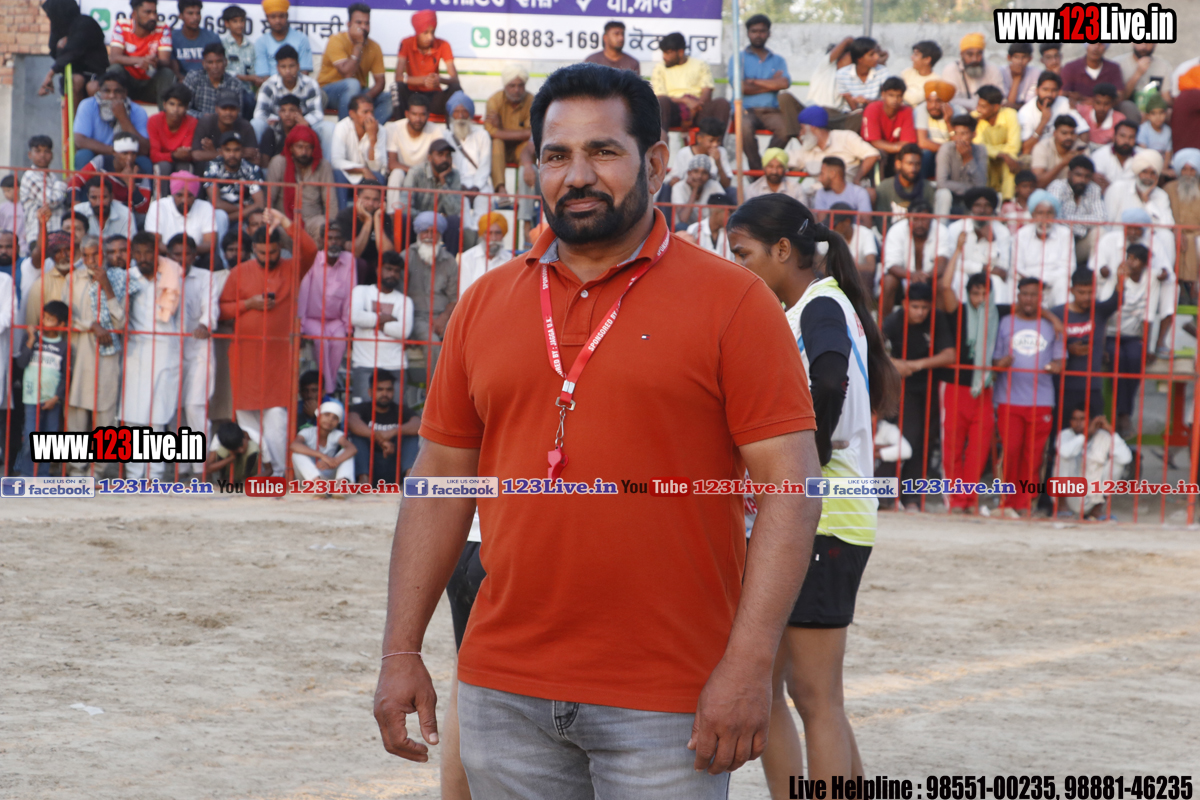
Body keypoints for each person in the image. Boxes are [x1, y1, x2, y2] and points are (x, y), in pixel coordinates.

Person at [373, 62, 822, 798]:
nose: (577, 175)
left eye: (603, 151)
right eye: (557, 155)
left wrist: (747, 664)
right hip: (503, 693)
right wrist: (400, 650)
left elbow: (791, 488)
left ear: (656, 162)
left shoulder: (735, 302)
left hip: (668, 700)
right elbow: (440, 481)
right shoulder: (484, 303)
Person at [725, 192, 896, 793]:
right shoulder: (808, 307)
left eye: (742, 253)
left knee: (813, 696)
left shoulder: (821, 305)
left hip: (825, 518)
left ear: (781, 249)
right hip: (813, 517)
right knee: (778, 689)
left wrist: (805, 461)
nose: (738, 267)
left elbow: (828, 379)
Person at [219, 208, 318, 474]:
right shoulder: (239, 272)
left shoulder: (291, 268)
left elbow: (310, 250)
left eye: (273, 252)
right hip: (245, 357)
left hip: (278, 359)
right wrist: (248, 304)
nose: (267, 258)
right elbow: (222, 310)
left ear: (279, 250)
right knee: (246, 421)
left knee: (277, 418)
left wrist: (285, 222)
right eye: (262, 253)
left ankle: (278, 472)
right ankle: (254, 472)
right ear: (253, 250)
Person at [992, 277, 1064, 517]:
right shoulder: (1005, 323)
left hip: (1041, 400)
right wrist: (1001, 363)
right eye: (1025, 294)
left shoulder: (1052, 326)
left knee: (1034, 456)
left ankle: (1025, 503)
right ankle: (1006, 501)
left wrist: (1056, 366)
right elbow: (995, 360)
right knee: (1010, 451)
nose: (1029, 299)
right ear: (1018, 295)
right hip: (1008, 398)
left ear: (1040, 297)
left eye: (1034, 294)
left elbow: (1061, 360)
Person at [880, 281, 956, 508]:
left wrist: (914, 365)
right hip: (903, 389)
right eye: (915, 307)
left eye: (924, 307)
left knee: (925, 443)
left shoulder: (937, 318)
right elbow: (873, 350)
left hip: (932, 386)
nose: (920, 312)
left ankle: (911, 498)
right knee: (907, 439)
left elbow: (950, 355)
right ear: (905, 303)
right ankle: (882, 496)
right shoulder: (893, 321)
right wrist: (895, 363)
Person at [121, 230, 184, 479]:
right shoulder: (127, 278)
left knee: (158, 415)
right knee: (134, 415)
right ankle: (134, 475)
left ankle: (155, 475)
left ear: (157, 254)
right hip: (136, 350)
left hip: (166, 350)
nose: (144, 257)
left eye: (148, 252)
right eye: (138, 253)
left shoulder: (171, 276)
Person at [935, 268, 999, 514]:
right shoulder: (959, 311)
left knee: (979, 448)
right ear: (968, 294)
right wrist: (959, 251)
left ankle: (970, 499)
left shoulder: (996, 314)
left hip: (983, 388)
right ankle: (954, 500)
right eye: (975, 293)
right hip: (954, 387)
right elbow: (945, 286)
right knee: (952, 445)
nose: (980, 299)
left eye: (985, 293)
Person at [61, 236, 126, 469]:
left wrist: (106, 286)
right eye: (85, 255)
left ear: (104, 254)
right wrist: (91, 325)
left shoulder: (119, 278)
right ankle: (76, 470)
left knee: (105, 414)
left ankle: (98, 471)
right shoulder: (73, 279)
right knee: (76, 412)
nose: (90, 260)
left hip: (106, 355)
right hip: (78, 353)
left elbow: (121, 323)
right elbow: (65, 317)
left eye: (95, 254)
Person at [1051, 267, 1121, 428]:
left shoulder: (1099, 311)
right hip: (1062, 387)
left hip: (1092, 387)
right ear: (1071, 290)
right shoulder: (1056, 314)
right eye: (1081, 292)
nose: (1086, 297)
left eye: (1090, 292)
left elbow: (1117, 300)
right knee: (1061, 435)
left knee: (1094, 433)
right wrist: (1068, 350)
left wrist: (1121, 280)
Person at [732, 14, 801, 171]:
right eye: (754, 31)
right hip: (745, 110)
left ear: (769, 33)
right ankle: (757, 171)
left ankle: (768, 166)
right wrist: (772, 84)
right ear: (748, 33)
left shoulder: (778, 60)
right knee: (744, 127)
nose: (758, 35)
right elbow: (740, 88)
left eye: (762, 31)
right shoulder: (738, 58)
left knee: (787, 128)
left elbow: (784, 83)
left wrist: (754, 81)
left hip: (771, 111)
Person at [177, 231, 228, 441]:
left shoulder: (205, 276)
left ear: (194, 255)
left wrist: (204, 325)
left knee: (194, 406)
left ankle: (200, 459)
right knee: (174, 408)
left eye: (186, 254)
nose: (181, 259)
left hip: (198, 350)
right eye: (176, 254)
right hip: (169, 349)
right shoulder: (164, 275)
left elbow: (211, 307)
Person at [13, 300, 69, 477]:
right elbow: (21, 363)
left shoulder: (63, 346)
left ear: (62, 324)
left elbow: (66, 375)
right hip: (31, 397)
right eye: (43, 317)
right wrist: (31, 340)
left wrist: (57, 397)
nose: (44, 322)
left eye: (50, 319)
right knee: (30, 437)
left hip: (52, 400)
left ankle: (43, 475)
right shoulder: (32, 339)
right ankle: (27, 474)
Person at [349, 249, 413, 403]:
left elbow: (404, 331)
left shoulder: (405, 301)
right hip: (364, 363)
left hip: (395, 365)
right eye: (388, 269)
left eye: (396, 271)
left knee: (396, 413)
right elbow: (355, 317)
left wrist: (371, 321)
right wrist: (386, 318)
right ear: (378, 270)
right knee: (362, 411)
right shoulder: (361, 291)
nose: (392, 274)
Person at [298, 221, 354, 394]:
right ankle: (329, 389)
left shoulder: (349, 260)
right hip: (312, 319)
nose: (334, 242)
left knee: (339, 342)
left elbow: (350, 296)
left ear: (343, 241)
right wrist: (299, 327)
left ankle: (327, 385)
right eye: (329, 238)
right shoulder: (312, 258)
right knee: (321, 341)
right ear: (322, 240)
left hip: (336, 320)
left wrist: (348, 327)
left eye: (337, 238)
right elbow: (303, 294)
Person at [403, 210, 458, 376]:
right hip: (417, 317)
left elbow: (454, 298)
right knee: (433, 343)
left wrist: (444, 317)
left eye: (433, 232)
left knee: (460, 340)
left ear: (440, 235)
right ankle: (436, 390)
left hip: (443, 316)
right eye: (424, 231)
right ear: (418, 234)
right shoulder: (407, 257)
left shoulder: (449, 261)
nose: (428, 236)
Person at [318, 2, 391, 123]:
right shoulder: (336, 40)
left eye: (366, 23)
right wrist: (358, 45)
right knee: (352, 84)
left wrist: (365, 98)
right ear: (349, 24)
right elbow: (347, 73)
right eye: (359, 23)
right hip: (329, 92)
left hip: (357, 93)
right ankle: (346, 130)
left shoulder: (374, 46)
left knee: (389, 98)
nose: (363, 27)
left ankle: (369, 129)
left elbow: (380, 82)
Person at [651, 32, 731, 141]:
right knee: (662, 102)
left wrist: (695, 106)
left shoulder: (700, 64)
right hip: (673, 110)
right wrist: (685, 100)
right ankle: (661, 144)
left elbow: (707, 90)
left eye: (668, 53)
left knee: (722, 103)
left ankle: (716, 146)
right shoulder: (659, 68)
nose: (664, 57)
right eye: (663, 53)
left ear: (680, 52)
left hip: (698, 109)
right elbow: (660, 96)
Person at [937, 186, 1012, 302]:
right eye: (977, 205)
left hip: (988, 277)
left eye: (987, 206)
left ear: (992, 209)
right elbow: (953, 263)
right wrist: (982, 268)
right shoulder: (956, 228)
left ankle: (994, 313)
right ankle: (961, 313)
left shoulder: (1002, 232)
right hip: (964, 274)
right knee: (957, 277)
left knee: (996, 281)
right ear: (971, 208)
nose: (982, 210)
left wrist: (992, 242)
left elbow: (1002, 269)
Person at [265, 124, 336, 241]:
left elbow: (331, 202)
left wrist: (332, 229)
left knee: (323, 226)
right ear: (291, 148)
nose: (304, 152)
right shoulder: (279, 163)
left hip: (312, 222)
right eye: (300, 147)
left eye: (308, 147)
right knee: (274, 230)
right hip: (284, 222)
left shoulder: (323, 165)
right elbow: (269, 198)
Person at [347, 371, 420, 483]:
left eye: (388, 390)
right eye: (379, 389)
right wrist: (380, 439)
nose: (384, 394)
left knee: (411, 437)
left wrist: (393, 432)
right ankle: (363, 480)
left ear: (393, 391)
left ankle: (410, 478)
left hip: (395, 464)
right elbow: (352, 422)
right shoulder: (361, 409)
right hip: (370, 464)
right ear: (370, 392)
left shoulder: (400, 410)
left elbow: (418, 424)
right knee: (358, 438)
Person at [38, 0, 109, 114]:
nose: (49, 17)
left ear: (61, 11)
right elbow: (54, 50)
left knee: (90, 86)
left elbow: (73, 51)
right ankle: (77, 121)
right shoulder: (59, 27)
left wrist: (50, 74)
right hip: (74, 75)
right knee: (76, 80)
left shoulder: (85, 24)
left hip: (95, 74)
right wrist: (61, 48)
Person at [73, 70, 151, 171]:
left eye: (117, 91)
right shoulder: (87, 105)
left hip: (127, 157)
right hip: (98, 154)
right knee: (83, 155)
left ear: (125, 93)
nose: (112, 96)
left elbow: (144, 149)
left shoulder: (137, 111)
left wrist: (123, 118)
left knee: (144, 162)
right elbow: (79, 140)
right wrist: (115, 151)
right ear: (99, 91)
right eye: (107, 91)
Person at [145, 171, 223, 268]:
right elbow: (154, 243)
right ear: (173, 194)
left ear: (195, 196)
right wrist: (177, 253)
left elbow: (210, 244)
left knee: (214, 260)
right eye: (179, 195)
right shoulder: (158, 206)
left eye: (189, 196)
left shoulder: (205, 207)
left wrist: (187, 253)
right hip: (167, 258)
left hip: (194, 257)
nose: (184, 200)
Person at [878, 200, 940, 318]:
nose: (920, 224)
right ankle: (883, 326)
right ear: (907, 218)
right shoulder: (896, 230)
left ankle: (939, 325)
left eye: (924, 219)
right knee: (889, 281)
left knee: (943, 282)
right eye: (915, 219)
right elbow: (891, 265)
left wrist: (925, 276)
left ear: (931, 219)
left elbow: (942, 262)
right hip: (903, 278)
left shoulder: (940, 229)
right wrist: (912, 275)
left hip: (931, 278)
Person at [786, 106, 879, 184]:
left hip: (848, 192)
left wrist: (857, 179)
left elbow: (872, 155)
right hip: (818, 195)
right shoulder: (807, 149)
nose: (801, 133)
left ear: (813, 128)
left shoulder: (845, 137)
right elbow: (784, 158)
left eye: (802, 128)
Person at [252, 44, 325, 143]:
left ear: (298, 66)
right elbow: (260, 113)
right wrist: (283, 120)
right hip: (276, 127)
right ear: (277, 68)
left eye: (291, 66)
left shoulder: (310, 84)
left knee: (327, 127)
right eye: (283, 66)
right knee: (256, 124)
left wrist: (305, 121)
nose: (288, 71)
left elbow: (317, 113)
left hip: (303, 127)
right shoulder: (269, 85)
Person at [393, 9, 460, 117]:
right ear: (417, 32)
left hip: (434, 97)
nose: (430, 37)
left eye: (433, 32)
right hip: (412, 95)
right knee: (397, 86)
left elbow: (455, 79)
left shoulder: (443, 44)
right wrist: (423, 80)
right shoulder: (406, 43)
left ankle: (452, 126)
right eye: (425, 33)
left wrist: (439, 79)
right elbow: (398, 77)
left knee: (456, 88)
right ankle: (399, 124)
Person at [1015, 189, 1074, 307]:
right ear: (1033, 215)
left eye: (1049, 213)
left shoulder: (1065, 233)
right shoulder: (1021, 234)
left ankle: (1063, 317)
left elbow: (1068, 268)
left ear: (1055, 215)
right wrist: (1035, 282)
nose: (1044, 218)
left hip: (1054, 285)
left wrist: (1045, 281)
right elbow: (1017, 267)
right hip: (1029, 285)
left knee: (1063, 283)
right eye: (1040, 213)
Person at [108, 0, 173, 108]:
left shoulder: (163, 28)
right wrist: (139, 60)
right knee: (115, 69)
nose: (153, 17)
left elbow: (165, 61)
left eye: (155, 12)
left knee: (166, 73)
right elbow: (113, 58)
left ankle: (165, 116)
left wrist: (155, 61)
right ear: (134, 14)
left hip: (150, 84)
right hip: (127, 84)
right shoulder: (122, 25)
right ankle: (113, 113)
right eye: (147, 12)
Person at [443, 91, 493, 223]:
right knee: (461, 208)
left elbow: (485, 165)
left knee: (483, 209)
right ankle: (467, 234)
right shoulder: (446, 136)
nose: (460, 116)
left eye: (464, 111)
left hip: (480, 184)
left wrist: (476, 187)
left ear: (470, 114)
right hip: (456, 185)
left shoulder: (482, 135)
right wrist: (460, 186)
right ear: (451, 115)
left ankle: (478, 235)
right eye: (456, 112)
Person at [485, 65, 533, 199]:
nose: (516, 90)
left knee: (527, 146)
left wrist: (501, 129)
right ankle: (501, 191)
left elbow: (531, 133)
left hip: (520, 148)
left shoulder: (532, 101)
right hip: (501, 151)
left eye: (520, 85)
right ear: (505, 86)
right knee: (497, 143)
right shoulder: (494, 100)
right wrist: (522, 133)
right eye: (512, 86)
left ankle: (521, 196)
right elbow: (491, 132)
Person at [331, 94, 387, 207]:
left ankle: (375, 215)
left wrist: (373, 139)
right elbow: (336, 161)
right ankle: (341, 216)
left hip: (367, 179)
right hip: (348, 176)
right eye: (365, 112)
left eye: (372, 112)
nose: (370, 116)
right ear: (352, 114)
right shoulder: (342, 127)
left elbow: (376, 167)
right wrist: (363, 169)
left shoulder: (379, 130)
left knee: (379, 177)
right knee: (337, 174)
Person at [203, 132, 265, 235]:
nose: (232, 154)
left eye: (236, 150)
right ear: (221, 151)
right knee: (219, 216)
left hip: (245, 218)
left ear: (242, 151)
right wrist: (243, 208)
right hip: (226, 215)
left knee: (256, 221)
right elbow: (217, 204)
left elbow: (260, 204)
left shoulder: (251, 169)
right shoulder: (213, 167)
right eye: (228, 150)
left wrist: (229, 218)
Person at [1049, 155, 1106, 265]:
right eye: (1078, 175)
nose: (1082, 180)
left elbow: (1101, 218)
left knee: (1100, 232)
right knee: (1062, 232)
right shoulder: (1057, 187)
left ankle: (1092, 272)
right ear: (1069, 174)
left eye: (1087, 176)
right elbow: (1055, 219)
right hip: (1058, 246)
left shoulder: (1094, 189)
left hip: (1079, 245)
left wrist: (1069, 220)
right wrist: (1083, 227)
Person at [1018, 71, 1089, 152]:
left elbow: (1083, 131)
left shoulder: (1064, 103)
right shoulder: (1025, 113)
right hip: (1039, 153)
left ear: (1059, 92)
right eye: (1045, 90)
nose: (1049, 94)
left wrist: (1078, 151)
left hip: (1064, 151)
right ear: (1037, 91)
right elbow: (1026, 149)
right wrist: (1043, 122)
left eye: (1054, 90)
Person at [972, 84, 1022, 199]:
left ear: (995, 107)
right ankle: (983, 198)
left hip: (1004, 159)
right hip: (988, 158)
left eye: (983, 106)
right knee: (982, 158)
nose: (978, 110)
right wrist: (1002, 154)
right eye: (978, 105)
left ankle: (1007, 200)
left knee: (1012, 159)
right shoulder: (974, 118)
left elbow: (1014, 146)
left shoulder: (1010, 114)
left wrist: (1001, 155)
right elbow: (979, 147)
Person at [337, 181, 393, 284]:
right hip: (354, 266)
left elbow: (386, 253)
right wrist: (368, 221)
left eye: (375, 200)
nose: (371, 203)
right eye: (367, 198)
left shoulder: (383, 216)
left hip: (375, 265)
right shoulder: (345, 215)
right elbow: (355, 253)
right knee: (360, 264)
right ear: (357, 199)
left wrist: (377, 219)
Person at [19, 136, 68, 250]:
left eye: (46, 151)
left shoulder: (52, 177)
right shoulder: (30, 175)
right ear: (30, 154)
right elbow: (50, 201)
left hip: (56, 234)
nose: (42, 155)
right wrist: (63, 184)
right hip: (38, 235)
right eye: (38, 151)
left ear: (52, 155)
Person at [291, 400, 357, 484]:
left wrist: (334, 461)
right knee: (296, 454)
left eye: (335, 418)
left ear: (338, 422)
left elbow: (352, 449)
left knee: (347, 453)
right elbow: (294, 445)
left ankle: (340, 485)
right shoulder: (307, 432)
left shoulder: (337, 434)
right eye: (326, 415)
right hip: (308, 476)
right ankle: (318, 483)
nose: (330, 419)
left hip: (328, 472)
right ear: (318, 416)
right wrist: (322, 456)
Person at [861, 76, 916, 177]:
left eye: (899, 96)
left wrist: (897, 148)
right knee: (881, 154)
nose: (895, 100)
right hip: (873, 151)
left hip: (896, 152)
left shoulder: (907, 111)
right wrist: (897, 147)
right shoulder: (873, 109)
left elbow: (908, 143)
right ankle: (879, 185)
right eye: (891, 95)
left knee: (910, 155)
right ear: (883, 94)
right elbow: (875, 142)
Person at [191, 90, 260, 169]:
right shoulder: (206, 122)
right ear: (216, 109)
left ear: (238, 110)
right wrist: (233, 154)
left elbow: (256, 159)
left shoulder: (245, 126)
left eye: (232, 109)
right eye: (224, 108)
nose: (228, 113)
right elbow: (196, 155)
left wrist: (214, 153)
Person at [663, 117, 733, 195]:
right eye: (711, 140)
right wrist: (674, 181)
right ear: (699, 138)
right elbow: (674, 179)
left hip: (710, 195)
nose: (715, 144)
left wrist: (718, 163)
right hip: (686, 194)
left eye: (718, 141)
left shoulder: (721, 152)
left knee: (732, 192)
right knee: (665, 189)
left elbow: (726, 185)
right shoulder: (684, 153)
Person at [935, 114, 989, 213]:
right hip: (951, 195)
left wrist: (968, 159)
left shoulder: (980, 150)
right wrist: (969, 188)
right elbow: (941, 183)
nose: (959, 138)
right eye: (956, 133)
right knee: (943, 193)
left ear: (974, 134)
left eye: (964, 134)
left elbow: (981, 185)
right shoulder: (946, 149)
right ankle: (942, 221)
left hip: (972, 197)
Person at [385, 93, 444, 181]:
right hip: (403, 173)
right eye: (414, 114)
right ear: (407, 114)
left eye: (422, 114)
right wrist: (414, 172)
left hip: (424, 177)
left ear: (428, 115)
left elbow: (439, 160)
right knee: (397, 174)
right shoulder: (394, 128)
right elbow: (392, 164)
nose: (418, 119)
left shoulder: (435, 130)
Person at [1105, 149, 1173, 225]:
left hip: (1151, 232)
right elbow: (1108, 221)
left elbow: (1167, 225)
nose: (1148, 177)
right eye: (1144, 172)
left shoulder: (1161, 195)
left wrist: (1147, 202)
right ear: (1137, 172)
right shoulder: (1118, 188)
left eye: (1153, 173)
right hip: (1119, 232)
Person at [1166, 149, 1200, 298]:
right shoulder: (1169, 189)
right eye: (1184, 169)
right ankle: (1179, 291)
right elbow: (1164, 215)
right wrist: (1175, 231)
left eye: (1192, 170)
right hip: (1175, 234)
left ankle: (1194, 290)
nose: (1188, 174)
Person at [941, 33, 1004, 111]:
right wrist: (980, 105)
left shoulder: (992, 68)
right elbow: (950, 100)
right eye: (970, 55)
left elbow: (1001, 98)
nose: (975, 59)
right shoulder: (951, 70)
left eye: (979, 54)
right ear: (962, 55)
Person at [874, 143, 935, 222]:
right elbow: (881, 222)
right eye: (909, 163)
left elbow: (929, 220)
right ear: (898, 164)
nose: (913, 169)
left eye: (917, 164)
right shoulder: (884, 188)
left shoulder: (927, 187)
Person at [184, 42, 244, 121]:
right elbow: (184, 108)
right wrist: (204, 117)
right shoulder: (193, 78)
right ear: (204, 64)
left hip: (225, 124)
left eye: (219, 61)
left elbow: (238, 114)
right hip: (197, 123)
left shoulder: (235, 84)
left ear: (225, 62)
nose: (215, 66)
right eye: (210, 62)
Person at [807, 37, 857, 128]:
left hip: (835, 117)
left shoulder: (849, 77)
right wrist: (862, 46)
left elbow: (854, 108)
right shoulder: (826, 67)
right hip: (817, 112)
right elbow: (848, 40)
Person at [915, 80, 961, 178]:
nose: (933, 106)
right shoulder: (920, 110)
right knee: (925, 153)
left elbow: (959, 144)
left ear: (947, 102)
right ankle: (921, 184)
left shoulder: (959, 112)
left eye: (938, 101)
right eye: (929, 101)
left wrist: (948, 122)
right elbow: (923, 142)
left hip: (951, 155)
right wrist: (948, 149)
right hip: (932, 153)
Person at [148, 83, 198, 174]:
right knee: (163, 166)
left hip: (182, 162)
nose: (175, 109)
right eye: (171, 104)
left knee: (184, 167)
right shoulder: (154, 120)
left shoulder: (192, 122)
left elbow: (185, 154)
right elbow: (154, 155)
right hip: (162, 163)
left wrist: (176, 155)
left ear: (186, 107)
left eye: (180, 105)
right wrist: (173, 155)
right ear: (164, 105)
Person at [254, 0, 313, 77]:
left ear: (287, 16)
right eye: (273, 17)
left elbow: (304, 72)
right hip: (271, 83)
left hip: (296, 83)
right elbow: (263, 75)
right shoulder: (261, 42)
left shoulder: (301, 39)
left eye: (281, 16)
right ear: (267, 18)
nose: (277, 21)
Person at [827, 202, 878, 290]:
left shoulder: (865, 234)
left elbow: (871, 267)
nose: (831, 228)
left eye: (834, 224)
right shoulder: (830, 234)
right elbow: (819, 262)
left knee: (865, 276)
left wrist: (843, 268)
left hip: (858, 280)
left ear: (847, 222)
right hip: (836, 278)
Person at [835, 36, 890, 113]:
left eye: (876, 53)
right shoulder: (842, 74)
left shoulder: (882, 71)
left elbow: (887, 100)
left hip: (876, 112)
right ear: (860, 59)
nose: (877, 57)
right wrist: (859, 103)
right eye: (872, 54)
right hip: (851, 115)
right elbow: (854, 108)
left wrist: (867, 101)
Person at [459, 213, 511, 293]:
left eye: (497, 233)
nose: (493, 238)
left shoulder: (510, 259)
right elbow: (464, 292)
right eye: (489, 233)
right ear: (482, 234)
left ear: (503, 235)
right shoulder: (467, 258)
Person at [1032, 115, 1088, 188]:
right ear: (1054, 133)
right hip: (1047, 192)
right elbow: (1038, 183)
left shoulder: (1081, 148)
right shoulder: (1042, 147)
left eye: (1072, 133)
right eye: (1064, 133)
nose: (1069, 137)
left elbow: (1086, 179)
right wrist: (1063, 163)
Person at [670, 155, 724, 229]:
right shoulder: (679, 187)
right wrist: (695, 190)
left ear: (709, 176)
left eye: (704, 173)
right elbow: (683, 219)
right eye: (696, 171)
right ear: (689, 173)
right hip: (686, 230)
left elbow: (723, 212)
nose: (699, 176)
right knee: (681, 226)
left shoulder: (714, 185)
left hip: (708, 229)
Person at [73, 176, 135, 241]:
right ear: (88, 197)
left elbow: (129, 243)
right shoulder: (77, 212)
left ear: (112, 197)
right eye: (93, 198)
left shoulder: (125, 214)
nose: (99, 203)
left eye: (104, 197)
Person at [170, 0, 221, 77]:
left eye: (198, 13)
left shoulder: (212, 38)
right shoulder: (172, 38)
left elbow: (218, 67)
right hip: (182, 82)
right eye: (190, 13)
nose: (195, 17)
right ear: (180, 16)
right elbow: (175, 72)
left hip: (208, 81)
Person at [1090, 120, 1143, 190]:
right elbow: (1099, 185)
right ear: (1114, 136)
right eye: (1122, 136)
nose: (1126, 141)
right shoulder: (1099, 155)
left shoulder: (1143, 156)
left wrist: (1110, 187)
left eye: (1131, 137)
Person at [219, 5, 262, 92]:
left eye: (242, 20)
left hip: (247, 91)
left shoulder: (251, 47)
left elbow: (254, 71)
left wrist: (256, 79)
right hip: (227, 91)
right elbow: (221, 71)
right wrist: (246, 78)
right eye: (235, 21)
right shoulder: (222, 45)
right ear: (227, 23)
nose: (239, 25)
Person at [683, 194, 736, 260]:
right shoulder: (694, 229)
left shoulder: (730, 232)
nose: (730, 217)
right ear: (716, 213)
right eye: (728, 214)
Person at [1077, 83, 1124, 151]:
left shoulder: (1119, 119)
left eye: (1106, 104)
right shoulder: (1082, 112)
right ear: (1093, 101)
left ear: (1112, 103)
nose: (1101, 108)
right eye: (1098, 103)